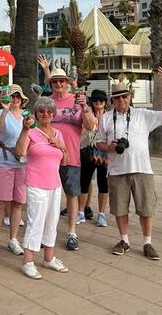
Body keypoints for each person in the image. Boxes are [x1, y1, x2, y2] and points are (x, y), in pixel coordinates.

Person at [94, 68, 162, 261]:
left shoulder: (143, 115)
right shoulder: (106, 118)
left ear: (130, 97)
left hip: (142, 169)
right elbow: (97, 142)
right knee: (119, 209)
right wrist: (109, 147)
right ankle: (125, 240)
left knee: (146, 208)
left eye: (124, 97)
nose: (121, 101)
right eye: (117, 98)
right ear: (112, 101)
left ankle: (148, 242)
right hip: (116, 171)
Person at [38, 57, 97, 252]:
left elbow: (90, 126)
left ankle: (72, 232)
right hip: (48, 159)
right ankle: (47, 232)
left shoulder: (78, 101)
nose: (58, 84)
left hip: (71, 157)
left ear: (67, 82)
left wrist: (85, 107)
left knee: (72, 195)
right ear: (51, 83)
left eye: (61, 81)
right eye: (55, 81)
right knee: (48, 196)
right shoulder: (46, 102)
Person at [14, 97, 69, 279]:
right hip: (36, 184)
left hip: (54, 184)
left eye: (49, 111)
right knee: (35, 221)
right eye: (42, 111)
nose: (46, 114)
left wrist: (63, 147)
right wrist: (24, 129)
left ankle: (48, 258)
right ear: (36, 114)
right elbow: (19, 152)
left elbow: (65, 161)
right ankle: (28, 261)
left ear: (53, 114)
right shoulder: (31, 132)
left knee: (52, 222)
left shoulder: (58, 134)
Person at [0, 84, 28, 259]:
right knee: (1, 203)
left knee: (18, 203)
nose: (15, 99)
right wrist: (4, 110)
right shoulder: (2, 114)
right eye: (12, 96)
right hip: (4, 161)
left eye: (17, 96)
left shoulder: (27, 116)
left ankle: (13, 239)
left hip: (22, 163)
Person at [78, 89, 109, 227]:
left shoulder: (109, 116)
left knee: (103, 184)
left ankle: (102, 214)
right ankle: (81, 211)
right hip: (88, 151)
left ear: (105, 102)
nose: (98, 103)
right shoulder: (87, 113)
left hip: (104, 153)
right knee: (84, 182)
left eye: (101, 101)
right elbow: (85, 127)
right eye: (95, 100)